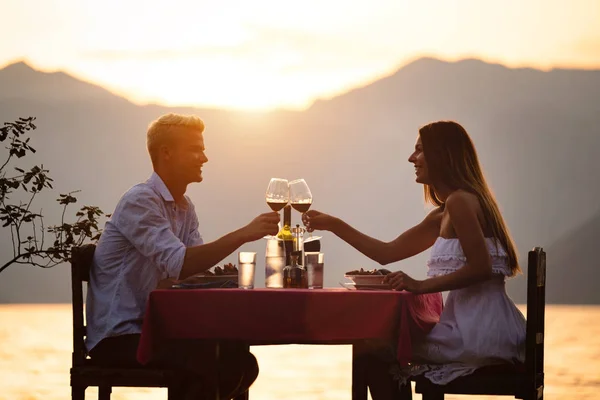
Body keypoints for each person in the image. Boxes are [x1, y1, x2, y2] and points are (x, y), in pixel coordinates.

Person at [303, 120, 526, 395]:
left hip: (480, 331)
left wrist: (419, 285)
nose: (412, 158)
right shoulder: (444, 212)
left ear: (441, 155)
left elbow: (481, 267)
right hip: (469, 325)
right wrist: (333, 224)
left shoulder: (460, 202)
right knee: (375, 344)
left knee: (374, 346)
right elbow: (386, 253)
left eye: (419, 150)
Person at [85, 113, 280, 399]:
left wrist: (210, 275)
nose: (204, 158)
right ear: (166, 153)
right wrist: (243, 235)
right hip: (120, 336)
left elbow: (191, 273)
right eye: (196, 149)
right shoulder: (140, 200)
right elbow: (180, 263)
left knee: (241, 360)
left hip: (159, 330)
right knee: (206, 359)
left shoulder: (184, 207)